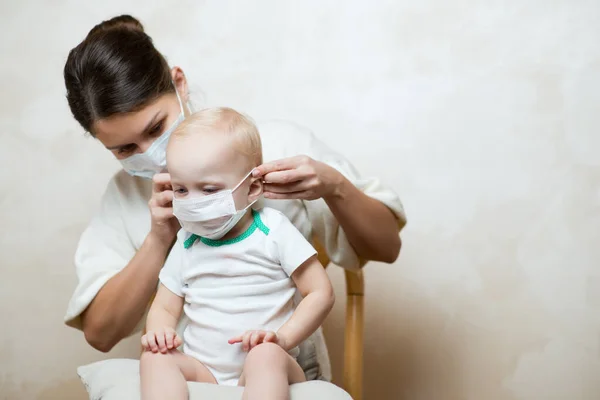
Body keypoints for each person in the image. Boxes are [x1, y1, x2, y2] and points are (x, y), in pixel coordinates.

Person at [63, 14, 406, 382]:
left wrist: (334, 186)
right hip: (190, 377)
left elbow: (385, 248)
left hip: (278, 370)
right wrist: (159, 238)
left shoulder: (277, 147)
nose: (151, 153)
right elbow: (101, 333)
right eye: (125, 148)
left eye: (156, 128)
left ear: (179, 83)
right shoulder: (123, 196)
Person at [140, 107, 335, 400]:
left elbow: (320, 293)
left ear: (253, 187)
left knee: (264, 356)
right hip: (203, 371)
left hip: (266, 364)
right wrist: (159, 333)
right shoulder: (186, 242)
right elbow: (165, 308)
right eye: (181, 190)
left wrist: (282, 338)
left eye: (208, 190)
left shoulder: (273, 231)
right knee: (153, 357)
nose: (192, 203)